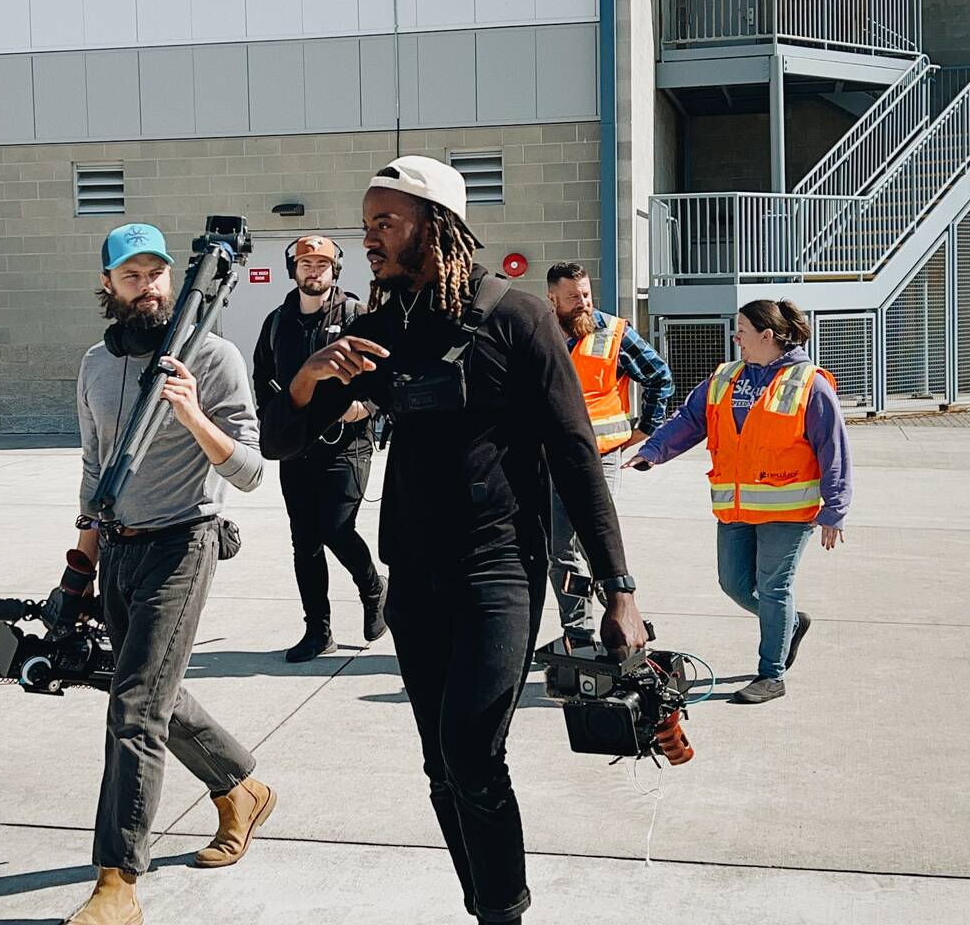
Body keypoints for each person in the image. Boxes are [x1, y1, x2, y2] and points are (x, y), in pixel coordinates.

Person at [261, 156, 647, 925]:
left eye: (384, 222)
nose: (369, 238)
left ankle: (504, 913)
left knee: (473, 753)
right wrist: (308, 378)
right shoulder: (376, 332)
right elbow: (280, 442)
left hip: (497, 568)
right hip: (414, 576)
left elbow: (575, 455)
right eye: (366, 224)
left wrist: (619, 590)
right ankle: (486, 906)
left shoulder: (517, 317)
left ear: (435, 226)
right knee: (442, 765)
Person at [66, 222, 277, 925]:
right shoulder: (95, 364)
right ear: (108, 286)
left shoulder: (211, 356)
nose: (147, 287)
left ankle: (117, 881)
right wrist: (79, 568)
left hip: (184, 542)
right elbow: (95, 467)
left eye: (156, 273)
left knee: (134, 708)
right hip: (119, 548)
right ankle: (240, 789)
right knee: (153, 691)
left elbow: (249, 470)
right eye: (131, 276)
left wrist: (191, 414)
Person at [624, 299, 851, 705]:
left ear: (767, 335)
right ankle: (789, 623)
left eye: (742, 330)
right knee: (733, 584)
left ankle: (772, 674)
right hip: (735, 507)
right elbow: (690, 419)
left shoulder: (808, 383)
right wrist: (653, 451)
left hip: (788, 511)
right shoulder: (726, 378)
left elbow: (833, 447)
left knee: (774, 588)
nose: (736, 338)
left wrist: (835, 509)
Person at [251, 234, 388, 662]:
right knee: (305, 541)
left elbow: (386, 373)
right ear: (293, 269)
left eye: (322, 264)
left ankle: (373, 590)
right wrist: (273, 418)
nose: (314, 271)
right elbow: (262, 376)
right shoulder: (277, 322)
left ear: (335, 270)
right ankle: (318, 630)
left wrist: (366, 408)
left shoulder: (356, 316)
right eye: (306, 263)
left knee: (335, 528)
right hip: (296, 448)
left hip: (347, 446)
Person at [541, 261, 675, 648]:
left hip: (599, 456)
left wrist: (646, 428)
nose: (583, 302)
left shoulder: (614, 332)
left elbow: (659, 376)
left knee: (595, 542)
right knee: (561, 550)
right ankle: (578, 634)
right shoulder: (539, 332)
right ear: (552, 298)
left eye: (586, 294)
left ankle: (621, 616)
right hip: (551, 456)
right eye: (573, 297)